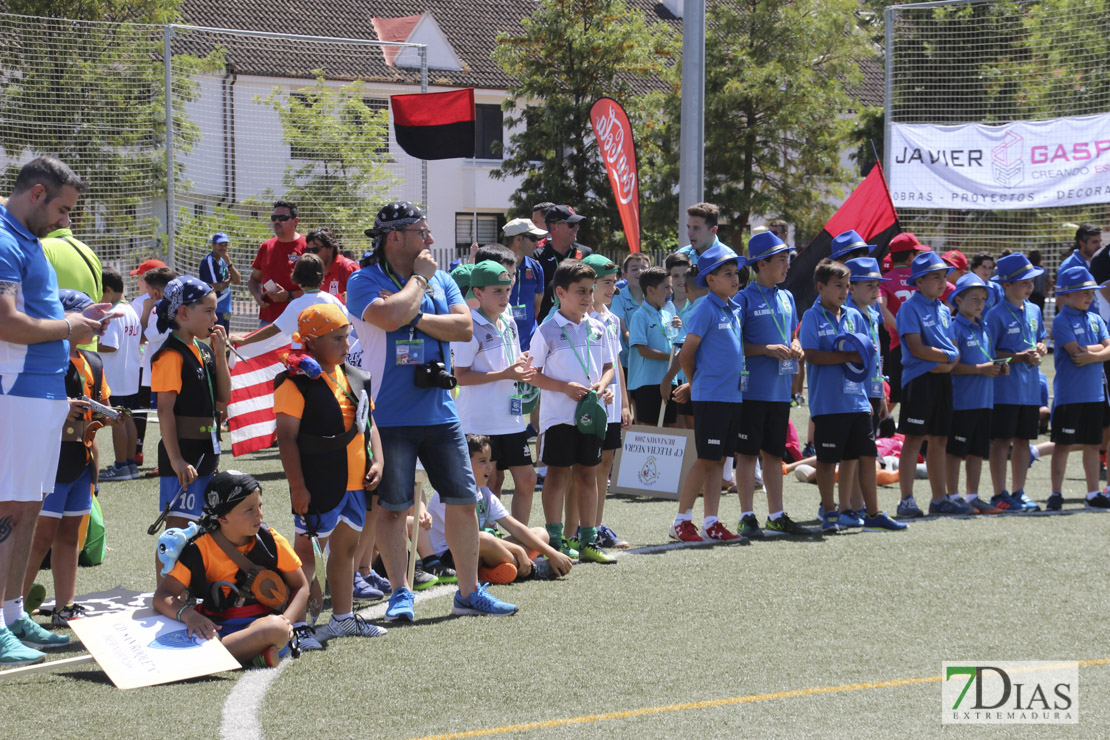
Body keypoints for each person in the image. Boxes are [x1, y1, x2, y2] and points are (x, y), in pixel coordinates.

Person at [346, 200, 515, 620]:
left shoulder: (441, 280)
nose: (432, 240)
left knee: (462, 500)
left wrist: (413, 312)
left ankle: (469, 592)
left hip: (441, 411)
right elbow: (385, 318)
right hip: (389, 415)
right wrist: (417, 284)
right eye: (423, 231)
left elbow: (463, 327)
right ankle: (401, 593)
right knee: (393, 506)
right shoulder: (363, 279)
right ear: (396, 237)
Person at [0, 156, 110, 667]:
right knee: (8, 511)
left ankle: (13, 611)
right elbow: (7, 324)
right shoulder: (3, 238)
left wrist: (76, 319)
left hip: (39, 393)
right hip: (14, 392)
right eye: (64, 210)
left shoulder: (27, 240)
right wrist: (71, 329)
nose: (67, 221)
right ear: (38, 193)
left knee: (26, 510)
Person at [274, 303, 386, 644]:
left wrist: (378, 461)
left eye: (347, 336)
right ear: (311, 341)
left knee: (346, 551)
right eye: (337, 339)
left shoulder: (356, 376)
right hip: (317, 482)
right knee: (306, 557)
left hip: (355, 483)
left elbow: (370, 425)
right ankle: (300, 625)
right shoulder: (294, 381)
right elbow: (287, 438)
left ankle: (343, 618)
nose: (346, 345)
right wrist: (297, 487)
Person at [22, 289, 115, 629]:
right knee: (39, 537)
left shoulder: (93, 361)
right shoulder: (41, 358)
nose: (96, 323)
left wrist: (105, 416)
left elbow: (98, 410)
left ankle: (65, 606)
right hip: (49, 460)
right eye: (87, 315)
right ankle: (11, 608)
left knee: (70, 535)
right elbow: (27, 409)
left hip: (81, 461)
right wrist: (62, 409)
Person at [153, 471, 309, 668]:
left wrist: (287, 620)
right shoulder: (201, 549)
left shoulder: (272, 541)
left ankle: (214, 657)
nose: (259, 514)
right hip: (213, 627)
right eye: (249, 509)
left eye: (260, 506)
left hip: (262, 626)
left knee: (276, 629)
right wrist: (189, 615)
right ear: (223, 517)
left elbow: (302, 586)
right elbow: (162, 596)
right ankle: (251, 655)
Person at [801, 259, 906, 533]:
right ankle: (830, 512)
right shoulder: (812, 316)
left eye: (847, 286)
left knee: (866, 455)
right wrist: (847, 355)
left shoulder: (855, 316)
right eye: (838, 286)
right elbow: (811, 355)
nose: (844, 292)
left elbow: (869, 358)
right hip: (828, 403)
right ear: (820, 287)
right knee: (827, 460)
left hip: (858, 402)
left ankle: (872, 513)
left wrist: (876, 395)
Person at [530, 259, 617, 563]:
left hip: (590, 417)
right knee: (557, 476)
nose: (587, 298)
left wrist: (603, 386)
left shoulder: (597, 327)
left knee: (588, 476)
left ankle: (587, 540)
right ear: (560, 292)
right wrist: (564, 387)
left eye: (591, 291)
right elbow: (533, 374)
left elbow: (608, 367)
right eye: (581, 291)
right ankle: (556, 541)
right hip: (559, 418)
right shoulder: (547, 330)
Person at [736, 232, 812, 538]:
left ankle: (776, 514)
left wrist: (796, 345)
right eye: (781, 259)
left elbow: (792, 332)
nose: (787, 265)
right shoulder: (743, 299)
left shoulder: (787, 296)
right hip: (751, 391)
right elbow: (734, 344)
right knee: (747, 454)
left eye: (787, 258)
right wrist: (766, 349)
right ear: (762, 264)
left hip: (780, 391)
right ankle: (746, 516)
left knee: (774, 454)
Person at [669, 243, 746, 543]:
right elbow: (687, 354)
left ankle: (711, 521)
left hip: (731, 397)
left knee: (718, 460)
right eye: (727, 273)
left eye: (736, 273)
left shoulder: (733, 309)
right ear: (710, 280)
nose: (735, 278)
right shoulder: (705, 307)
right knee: (705, 458)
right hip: (711, 397)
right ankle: (681, 520)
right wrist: (695, 383)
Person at [451, 261, 538, 523]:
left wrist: (521, 360)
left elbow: (506, 362)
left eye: (507, 290)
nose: (504, 297)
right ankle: (488, 539)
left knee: (527, 479)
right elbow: (461, 377)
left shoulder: (509, 322)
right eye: (497, 291)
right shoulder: (467, 328)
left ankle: (519, 542)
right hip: (479, 422)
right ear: (477, 293)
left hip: (510, 420)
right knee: (491, 482)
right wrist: (505, 374)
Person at [424, 435, 572, 586]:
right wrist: (518, 551)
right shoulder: (451, 492)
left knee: (541, 533)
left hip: (480, 552)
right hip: (451, 559)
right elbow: (470, 538)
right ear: (464, 463)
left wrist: (551, 552)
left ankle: (493, 571)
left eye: (490, 460)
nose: (490, 466)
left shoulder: (484, 492)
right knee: (483, 538)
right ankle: (531, 569)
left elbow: (516, 528)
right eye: (483, 461)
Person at [150, 277, 231, 537]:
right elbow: (165, 410)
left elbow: (223, 397)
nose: (214, 318)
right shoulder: (171, 354)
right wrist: (176, 459)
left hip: (206, 450)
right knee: (178, 529)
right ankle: (168, 579)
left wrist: (220, 355)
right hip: (184, 452)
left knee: (202, 526)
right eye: (208, 311)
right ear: (183, 313)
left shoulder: (203, 349)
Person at [895, 251, 966, 518]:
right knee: (913, 440)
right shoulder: (909, 308)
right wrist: (947, 358)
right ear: (919, 281)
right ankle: (906, 500)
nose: (941, 282)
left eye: (944, 277)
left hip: (942, 380)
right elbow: (917, 348)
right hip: (919, 382)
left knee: (939, 439)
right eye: (935, 277)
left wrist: (946, 362)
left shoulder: (944, 309)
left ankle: (940, 498)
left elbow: (953, 348)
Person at [985, 252, 1048, 512]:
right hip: (1005, 390)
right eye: (1023, 282)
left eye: (1031, 281)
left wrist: (1041, 348)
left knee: (1023, 441)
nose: (1030, 286)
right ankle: (999, 493)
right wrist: (1018, 357)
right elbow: (988, 351)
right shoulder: (994, 314)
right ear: (1006, 285)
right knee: (1002, 441)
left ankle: (1018, 491)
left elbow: (1042, 337)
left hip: (1030, 389)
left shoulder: (1034, 309)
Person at [1048, 267, 1110, 510]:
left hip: (1095, 394)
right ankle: (1055, 493)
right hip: (1070, 396)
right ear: (1067, 294)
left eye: (1091, 292)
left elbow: (1104, 348)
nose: (1089, 297)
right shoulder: (1062, 320)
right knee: (1062, 444)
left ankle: (1093, 493)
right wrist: (1100, 351)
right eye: (1083, 292)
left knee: (1093, 445)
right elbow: (1075, 352)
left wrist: (1093, 354)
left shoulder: (1095, 319)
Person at [945, 273, 1006, 514]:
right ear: (958, 301)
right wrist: (981, 369)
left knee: (977, 451)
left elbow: (988, 359)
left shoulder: (986, 327)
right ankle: (953, 495)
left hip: (984, 400)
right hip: (962, 401)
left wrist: (999, 367)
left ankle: (972, 496)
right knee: (955, 451)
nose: (980, 303)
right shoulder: (954, 327)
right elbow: (952, 366)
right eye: (974, 298)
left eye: (983, 298)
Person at [583, 254, 631, 549]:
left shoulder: (612, 319)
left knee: (606, 463)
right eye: (606, 283)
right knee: (586, 466)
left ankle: (597, 525)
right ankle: (581, 526)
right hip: (589, 402)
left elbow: (617, 363)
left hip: (612, 402)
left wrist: (625, 403)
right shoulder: (581, 318)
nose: (612, 289)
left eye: (614, 283)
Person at [230, 254, 346, 350]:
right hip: (331, 358)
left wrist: (245, 340)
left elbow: (273, 329)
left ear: (296, 277)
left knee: (281, 378)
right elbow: (348, 321)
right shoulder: (332, 300)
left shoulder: (296, 305)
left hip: (305, 364)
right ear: (321, 276)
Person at [97, 266, 143, 482]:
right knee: (128, 419)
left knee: (118, 419)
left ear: (108, 289)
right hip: (130, 373)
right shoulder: (132, 310)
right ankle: (130, 464)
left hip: (115, 374)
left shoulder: (114, 312)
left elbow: (110, 345)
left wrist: (91, 344)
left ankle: (121, 466)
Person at [131, 264, 176, 469]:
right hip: (173, 367)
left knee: (167, 415)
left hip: (164, 369)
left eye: (148, 290)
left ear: (155, 291)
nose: (147, 294)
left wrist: (147, 310)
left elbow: (141, 337)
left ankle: (169, 461)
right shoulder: (180, 305)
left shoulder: (159, 309)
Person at [880, 233, 929, 411]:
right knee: (921, 400)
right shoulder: (923, 278)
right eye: (917, 254)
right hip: (925, 344)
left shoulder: (885, 280)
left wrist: (901, 328)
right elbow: (952, 293)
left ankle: (877, 429)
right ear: (910, 256)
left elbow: (882, 308)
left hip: (898, 345)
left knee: (897, 396)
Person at [628, 265, 680, 426]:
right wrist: (672, 358)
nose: (671, 292)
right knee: (648, 429)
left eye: (671, 287)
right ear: (650, 290)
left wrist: (678, 328)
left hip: (669, 378)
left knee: (668, 428)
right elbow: (642, 350)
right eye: (666, 287)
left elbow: (673, 340)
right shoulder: (640, 315)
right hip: (647, 382)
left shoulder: (668, 313)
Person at [42, 220, 103, 351]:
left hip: (58, 350)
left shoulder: (40, 248)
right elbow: (98, 297)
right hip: (88, 351)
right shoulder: (88, 251)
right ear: (68, 222)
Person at [247, 200, 306, 326]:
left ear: (295, 221)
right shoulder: (265, 246)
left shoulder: (307, 247)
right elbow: (253, 280)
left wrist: (288, 295)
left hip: (299, 320)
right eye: (274, 218)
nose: (277, 221)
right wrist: (258, 296)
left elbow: (318, 289)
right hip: (268, 320)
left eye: (282, 218)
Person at [536, 205, 591, 319]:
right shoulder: (537, 256)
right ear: (555, 227)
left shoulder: (586, 253)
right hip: (548, 324)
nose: (576, 228)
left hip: (579, 322)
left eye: (577, 224)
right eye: (571, 224)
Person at [501, 217, 547, 350]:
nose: (537, 243)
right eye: (533, 238)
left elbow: (536, 307)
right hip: (502, 342)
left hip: (529, 343)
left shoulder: (536, 268)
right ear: (518, 239)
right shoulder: (496, 267)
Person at [612, 253, 650, 381]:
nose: (639, 271)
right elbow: (623, 330)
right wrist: (643, 345)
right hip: (626, 361)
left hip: (650, 360)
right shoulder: (618, 296)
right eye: (634, 269)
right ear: (625, 275)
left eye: (644, 268)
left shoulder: (655, 296)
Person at [198, 233, 242, 332]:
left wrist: (229, 263)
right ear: (213, 245)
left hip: (225, 306)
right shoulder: (208, 261)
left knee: (223, 338)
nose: (223, 248)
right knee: (217, 338)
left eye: (225, 245)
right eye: (220, 245)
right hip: (215, 306)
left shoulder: (223, 261)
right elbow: (214, 286)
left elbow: (238, 280)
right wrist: (228, 282)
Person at [306, 227, 358, 302]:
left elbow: (360, 302)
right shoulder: (312, 270)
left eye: (315, 250)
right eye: (308, 250)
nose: (311, 254)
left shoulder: (348, 268)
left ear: (330, 249)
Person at [675, 202, 723, 267]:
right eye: (689, 227)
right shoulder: (679, 257)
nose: (690, 233)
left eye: (696, 228)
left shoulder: (729, 258)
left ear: (713, 230)